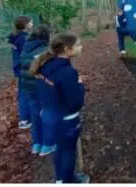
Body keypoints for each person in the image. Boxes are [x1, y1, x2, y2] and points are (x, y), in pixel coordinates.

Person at [31, 33, 90, 183]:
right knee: (69, 152)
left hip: (50, 117)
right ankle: (68, 181)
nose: (81, 47)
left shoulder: (45, 65)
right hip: (66, 120)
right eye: (77, 45)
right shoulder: (68, 73)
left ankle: (60, 179)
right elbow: (76, 102)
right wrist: (80, 85)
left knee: (60, 149)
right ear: (67, 49)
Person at [17, 25, 55, 155]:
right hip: (42, 88)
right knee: (47, 114)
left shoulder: (25, 48)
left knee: (35, 115)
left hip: (28, 88)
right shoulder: (44, 51)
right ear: (46, 36)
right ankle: (48, 144)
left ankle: (36, 144)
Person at [8, 16, 34, 128]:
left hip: (19, 69)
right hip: (26, 70)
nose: (32, 24)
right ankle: (27, 119)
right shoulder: (24, 39)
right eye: (31, 22)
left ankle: (24, 119)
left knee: (23, 94)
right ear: (25, 25)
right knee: (29, 94)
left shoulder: (16, 37)